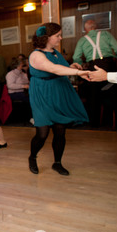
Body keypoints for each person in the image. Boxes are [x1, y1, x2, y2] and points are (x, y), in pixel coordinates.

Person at [28, 23, 90, 176]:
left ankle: (57, 163)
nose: (60, 38)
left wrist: (71, 65)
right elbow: (53, 69)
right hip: (42, 94)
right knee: (42, 133)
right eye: (57, 36)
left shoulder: (55, 52)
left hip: (58, 91)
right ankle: (32, 157)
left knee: (60, 131)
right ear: (47, 37)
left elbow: (59, 66)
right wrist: (77, 72)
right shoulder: (36, 55)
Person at [72, 19, 117, 126]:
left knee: (93, 97)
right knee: (111, 95)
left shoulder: (82, 40)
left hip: (93, 66)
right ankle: (110, 124)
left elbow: (76, 57)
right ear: (95, 27)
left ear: (85, 29)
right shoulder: (106, 34)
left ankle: (93, 124)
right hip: (109, 64)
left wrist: (80, 68)